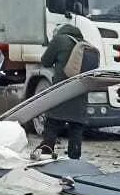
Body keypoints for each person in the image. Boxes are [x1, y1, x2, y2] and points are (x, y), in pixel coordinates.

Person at [37, 24, 91, 159]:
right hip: (80, 91)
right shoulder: (85, 44)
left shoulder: (60, 40)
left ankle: (46, 153)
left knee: (52, 123)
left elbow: (46, 61)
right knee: (76, 128)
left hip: (63, 89)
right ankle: (74, 160)